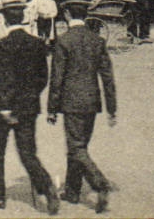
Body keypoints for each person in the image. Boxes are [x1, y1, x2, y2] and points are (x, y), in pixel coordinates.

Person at [0, 0, 60, 214]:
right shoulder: (37, 44)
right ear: (24, 17)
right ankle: (47, 187)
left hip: (3, 108)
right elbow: (42, 78)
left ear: (5, 19)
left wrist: (4, 106)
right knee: (27, 152)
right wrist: (28, 98)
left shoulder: (4, 44)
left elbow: (5, 78)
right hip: (28, 107)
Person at [48, 14, 118, 213]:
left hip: (71, 102)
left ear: (68, 14)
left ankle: (99, 183)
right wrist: (111, 108)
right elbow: (108, 77)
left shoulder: (63, 41)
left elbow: (57, 78)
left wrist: (52, 108)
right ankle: (72, 191)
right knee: (79, 145)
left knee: (76, 147)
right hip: (91, 101)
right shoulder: (97, 41)